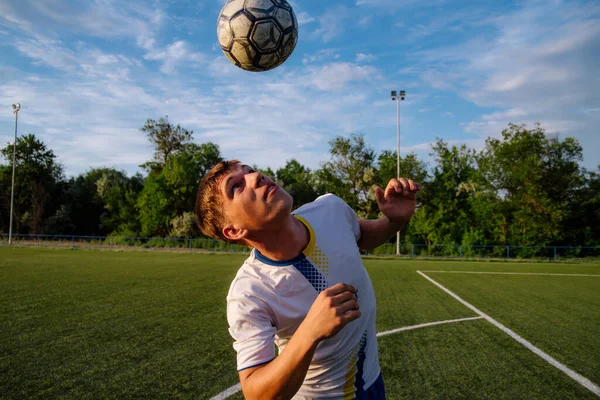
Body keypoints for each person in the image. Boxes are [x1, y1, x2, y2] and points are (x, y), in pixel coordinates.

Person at [195, 160, 420, 400]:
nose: (256, 176)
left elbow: (360, 237)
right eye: (236, 186)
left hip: (373, 383)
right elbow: (255, 393)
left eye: (249, 171)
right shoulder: (249, 292)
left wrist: (394, 221)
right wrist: (310, 331)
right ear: (233, 230)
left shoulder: (330, 208)